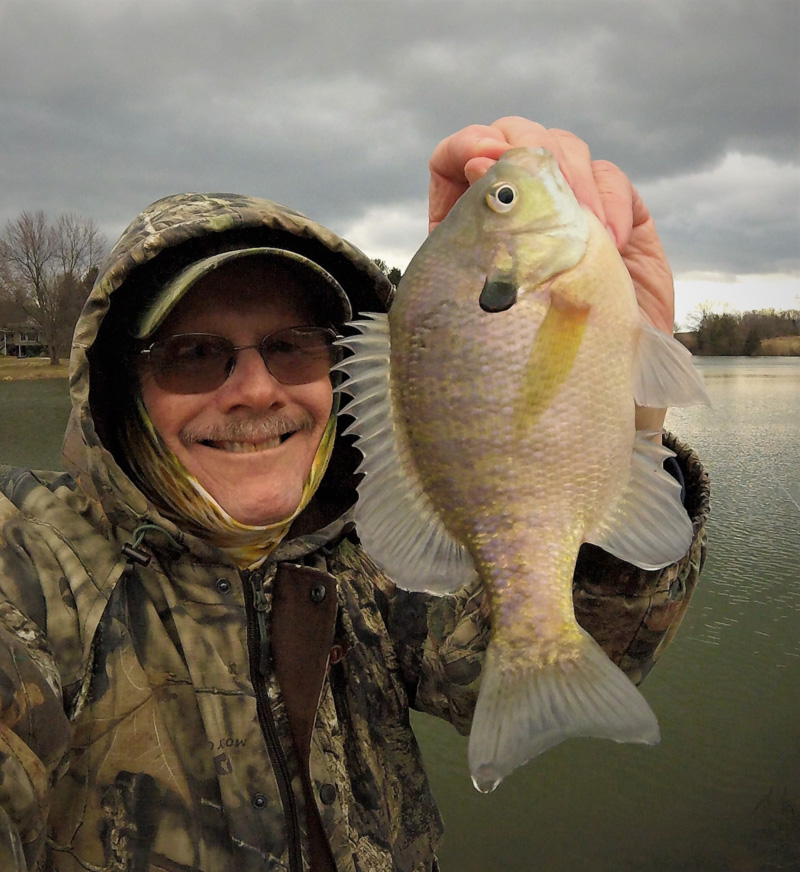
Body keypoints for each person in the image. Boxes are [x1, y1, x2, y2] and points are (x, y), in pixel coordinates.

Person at [0, 118, 709, 872]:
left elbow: (508, 667)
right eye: (194, 354)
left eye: (292, 345)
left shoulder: (359, 572)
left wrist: (629, 407)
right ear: (122, 387)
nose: (256, 390)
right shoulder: (30, 565)